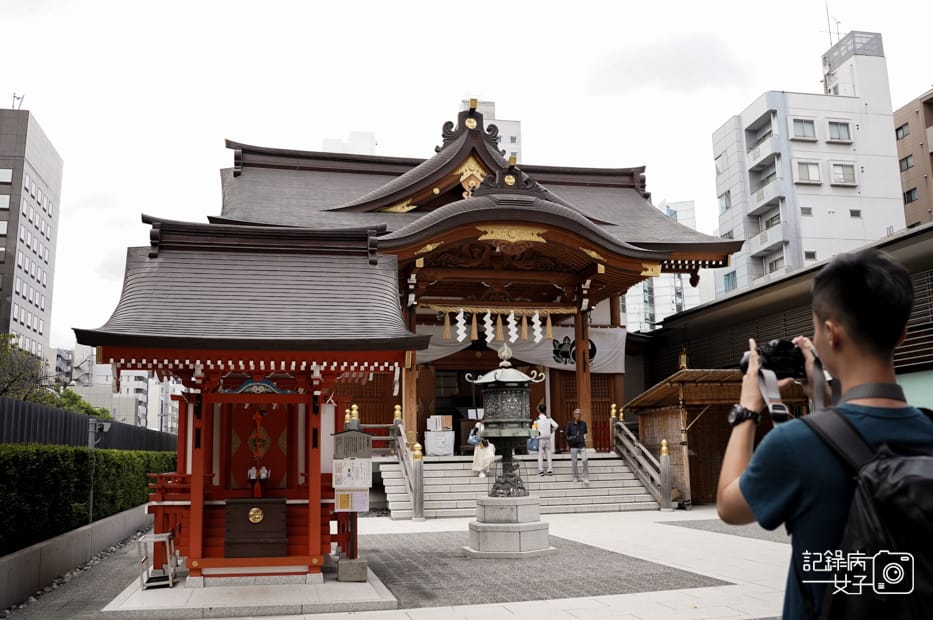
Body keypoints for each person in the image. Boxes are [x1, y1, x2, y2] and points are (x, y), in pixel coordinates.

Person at [716, 249, 933, 619]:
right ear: (901, 335)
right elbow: (850, 434)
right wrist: (822, 395)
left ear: (830, 333)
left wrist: (749, 407)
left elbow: (729, 506)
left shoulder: (795, 444)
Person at [564, 408, 589, 483]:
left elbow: (585, 432)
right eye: (576, 414)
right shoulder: (569, 424)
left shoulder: (583, 423)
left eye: (579, 414)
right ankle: (575, 476)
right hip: (573, 445)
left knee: (585, 460)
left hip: (582, 444)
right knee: (574, 462)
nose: (578, 415)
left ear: (581, 415)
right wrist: (567, 445)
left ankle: (585, 477)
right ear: (574, 415)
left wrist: (583, 437)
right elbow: (567, 435)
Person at [534, 405, 558, 476]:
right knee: (549, 454)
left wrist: (535, 436)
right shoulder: (549, 418)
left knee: (540, 455)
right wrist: (551, 431)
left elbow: (534, 429)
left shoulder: (537, 419)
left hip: (540, 438)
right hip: (547, 438)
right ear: (545, 410)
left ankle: (541, 471)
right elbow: (556, 425)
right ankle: (550, 470)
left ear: (539, 410)